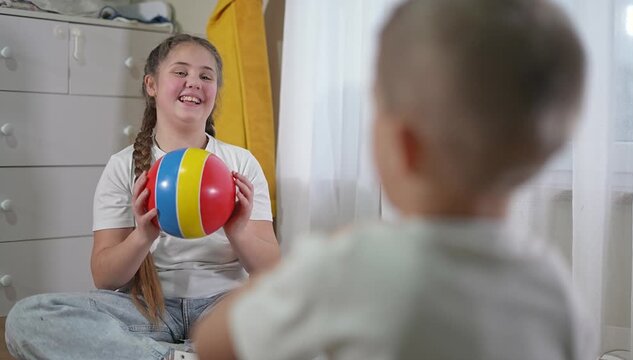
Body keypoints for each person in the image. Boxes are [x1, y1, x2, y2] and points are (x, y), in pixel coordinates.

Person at [193, 0, 596, 359]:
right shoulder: (555, 287)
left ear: (405, 145)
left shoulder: (351, 264)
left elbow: (212, 343)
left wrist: (303, 266)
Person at [4, 34, 280, 360]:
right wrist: (142, 236)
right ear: (151, 84)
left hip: (223, 303)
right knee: (28, 318)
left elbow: (272, 269)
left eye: (206, 76)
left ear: (215, 92)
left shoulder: (241, 163)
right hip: (148, 309)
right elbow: (105, 278)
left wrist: (238, 231)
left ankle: (165, 353)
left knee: (303, 319)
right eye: (180, 72)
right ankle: (173, 356)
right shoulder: (123, 166)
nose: (194, 82)